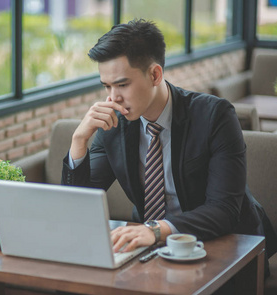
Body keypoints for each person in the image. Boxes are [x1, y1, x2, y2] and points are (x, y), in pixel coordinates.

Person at [61, 19, 277, 272]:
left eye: (122, 84)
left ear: (155, 74)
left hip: (229, 245)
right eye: (107, 86)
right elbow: (76, 206)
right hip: (152, 249)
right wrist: (79, 141)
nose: (113, 98)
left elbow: (224, 210)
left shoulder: (214, 116)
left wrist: (154, 230)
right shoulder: (114, 124)